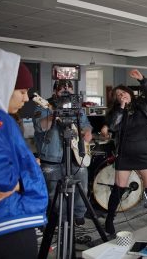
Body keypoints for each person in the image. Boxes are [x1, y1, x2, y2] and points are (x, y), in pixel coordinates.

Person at [0, 49, 48, 259]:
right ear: (3, 86)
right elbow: (3, 178)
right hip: (8, 223)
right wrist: (25, 179)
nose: (26, 98)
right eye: (22, 91)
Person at [100, 69, 147, 234]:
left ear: (129, 93)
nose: (121, 95)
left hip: (144, 152)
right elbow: (112, 126)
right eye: (118, 95)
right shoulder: (115, 112)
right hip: (125, 154)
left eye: (123, 93)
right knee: (118, 188)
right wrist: (121, 107)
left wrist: (143, 79)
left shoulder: (143, 104)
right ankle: (109, 220)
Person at [33, 79, 92, 226]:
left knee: (82, 187)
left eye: (69, 87)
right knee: (54, 193)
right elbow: (39, 127)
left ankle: (79, 215)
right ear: (54, 91)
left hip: (76, 156)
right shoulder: (44, 106)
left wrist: (86, 134)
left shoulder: (77, 107)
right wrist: (55, 113)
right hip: (52, 157)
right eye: (62, 88)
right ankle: (63, 219)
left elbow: (86, 126)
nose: (66, 90)